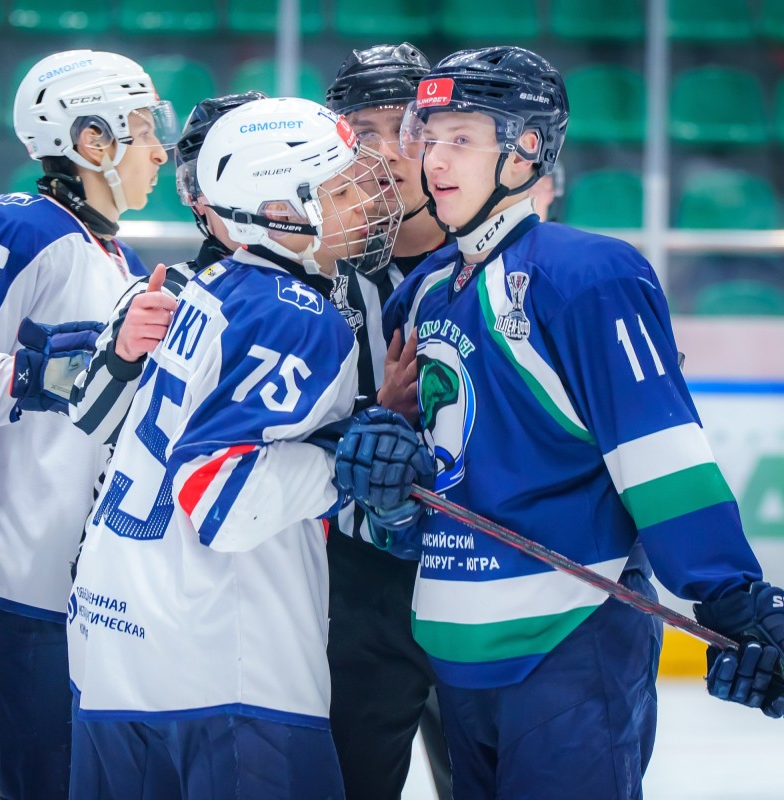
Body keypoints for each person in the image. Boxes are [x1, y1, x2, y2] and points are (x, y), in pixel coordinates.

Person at [335, 46, 784, 799]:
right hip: (455, 642)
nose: (435, 159)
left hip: (569, 637)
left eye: (462, 138)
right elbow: (440, 476)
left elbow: (658, 455)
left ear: (526, 148)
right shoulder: (423, 293)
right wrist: (390, 480)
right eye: (428, 136)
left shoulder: (590, 276)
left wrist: (732, 600)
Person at [67, 97, 398, 800]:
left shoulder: (207, 288)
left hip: (114, 650)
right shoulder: (298, 315)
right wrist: (345, 460)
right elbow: (224, 499)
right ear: (280, 211)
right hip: (229, 668)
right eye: (340, 191)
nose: (366, 204)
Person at [0, 51, 176, 800]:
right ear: (93, 141)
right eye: (142, 130)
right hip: (24, 584)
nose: (159, 151)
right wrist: (35, 376)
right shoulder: (17, 224)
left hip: (90, 583)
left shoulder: (116, 255)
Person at [322, 42, 455, 800]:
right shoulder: (310, 280)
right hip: (359, 584)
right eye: (361, 132)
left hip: (479, 568)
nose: (385, 153)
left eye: (404, 128)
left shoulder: (503, 273)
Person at [63, 91, 266, 442]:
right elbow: (92, 422)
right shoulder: (165, 294)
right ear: (196, 198)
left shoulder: (337, 282)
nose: (246, 202)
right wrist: (124, 355)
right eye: (221, 182)